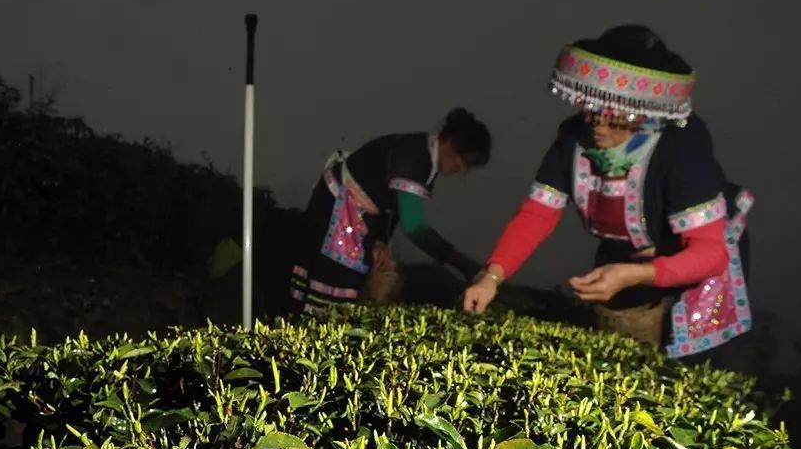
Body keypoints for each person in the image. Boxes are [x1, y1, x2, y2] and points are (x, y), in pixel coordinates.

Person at [463, 26, 754, 364]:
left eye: (616, 116)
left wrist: (637, 274)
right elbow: (537, 214)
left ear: (643, 113)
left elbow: (709, 251)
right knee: (615, 354)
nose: (598, 125)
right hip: (624, 254)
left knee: (688, 360)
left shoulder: (681, 146)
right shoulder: (573, 139)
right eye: (591, 110)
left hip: (698, 258)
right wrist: (492, 276)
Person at [290, 108, 491, 313]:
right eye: (463, 159)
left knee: (351, 292)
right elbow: (413, 227)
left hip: (358, 217)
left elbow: (389, 206)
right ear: (449, 143)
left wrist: (380, 242)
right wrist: (464, 264)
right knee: (335, 288)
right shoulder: (416, 157)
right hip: (338, 211)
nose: (462, 168)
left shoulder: (425, 159)